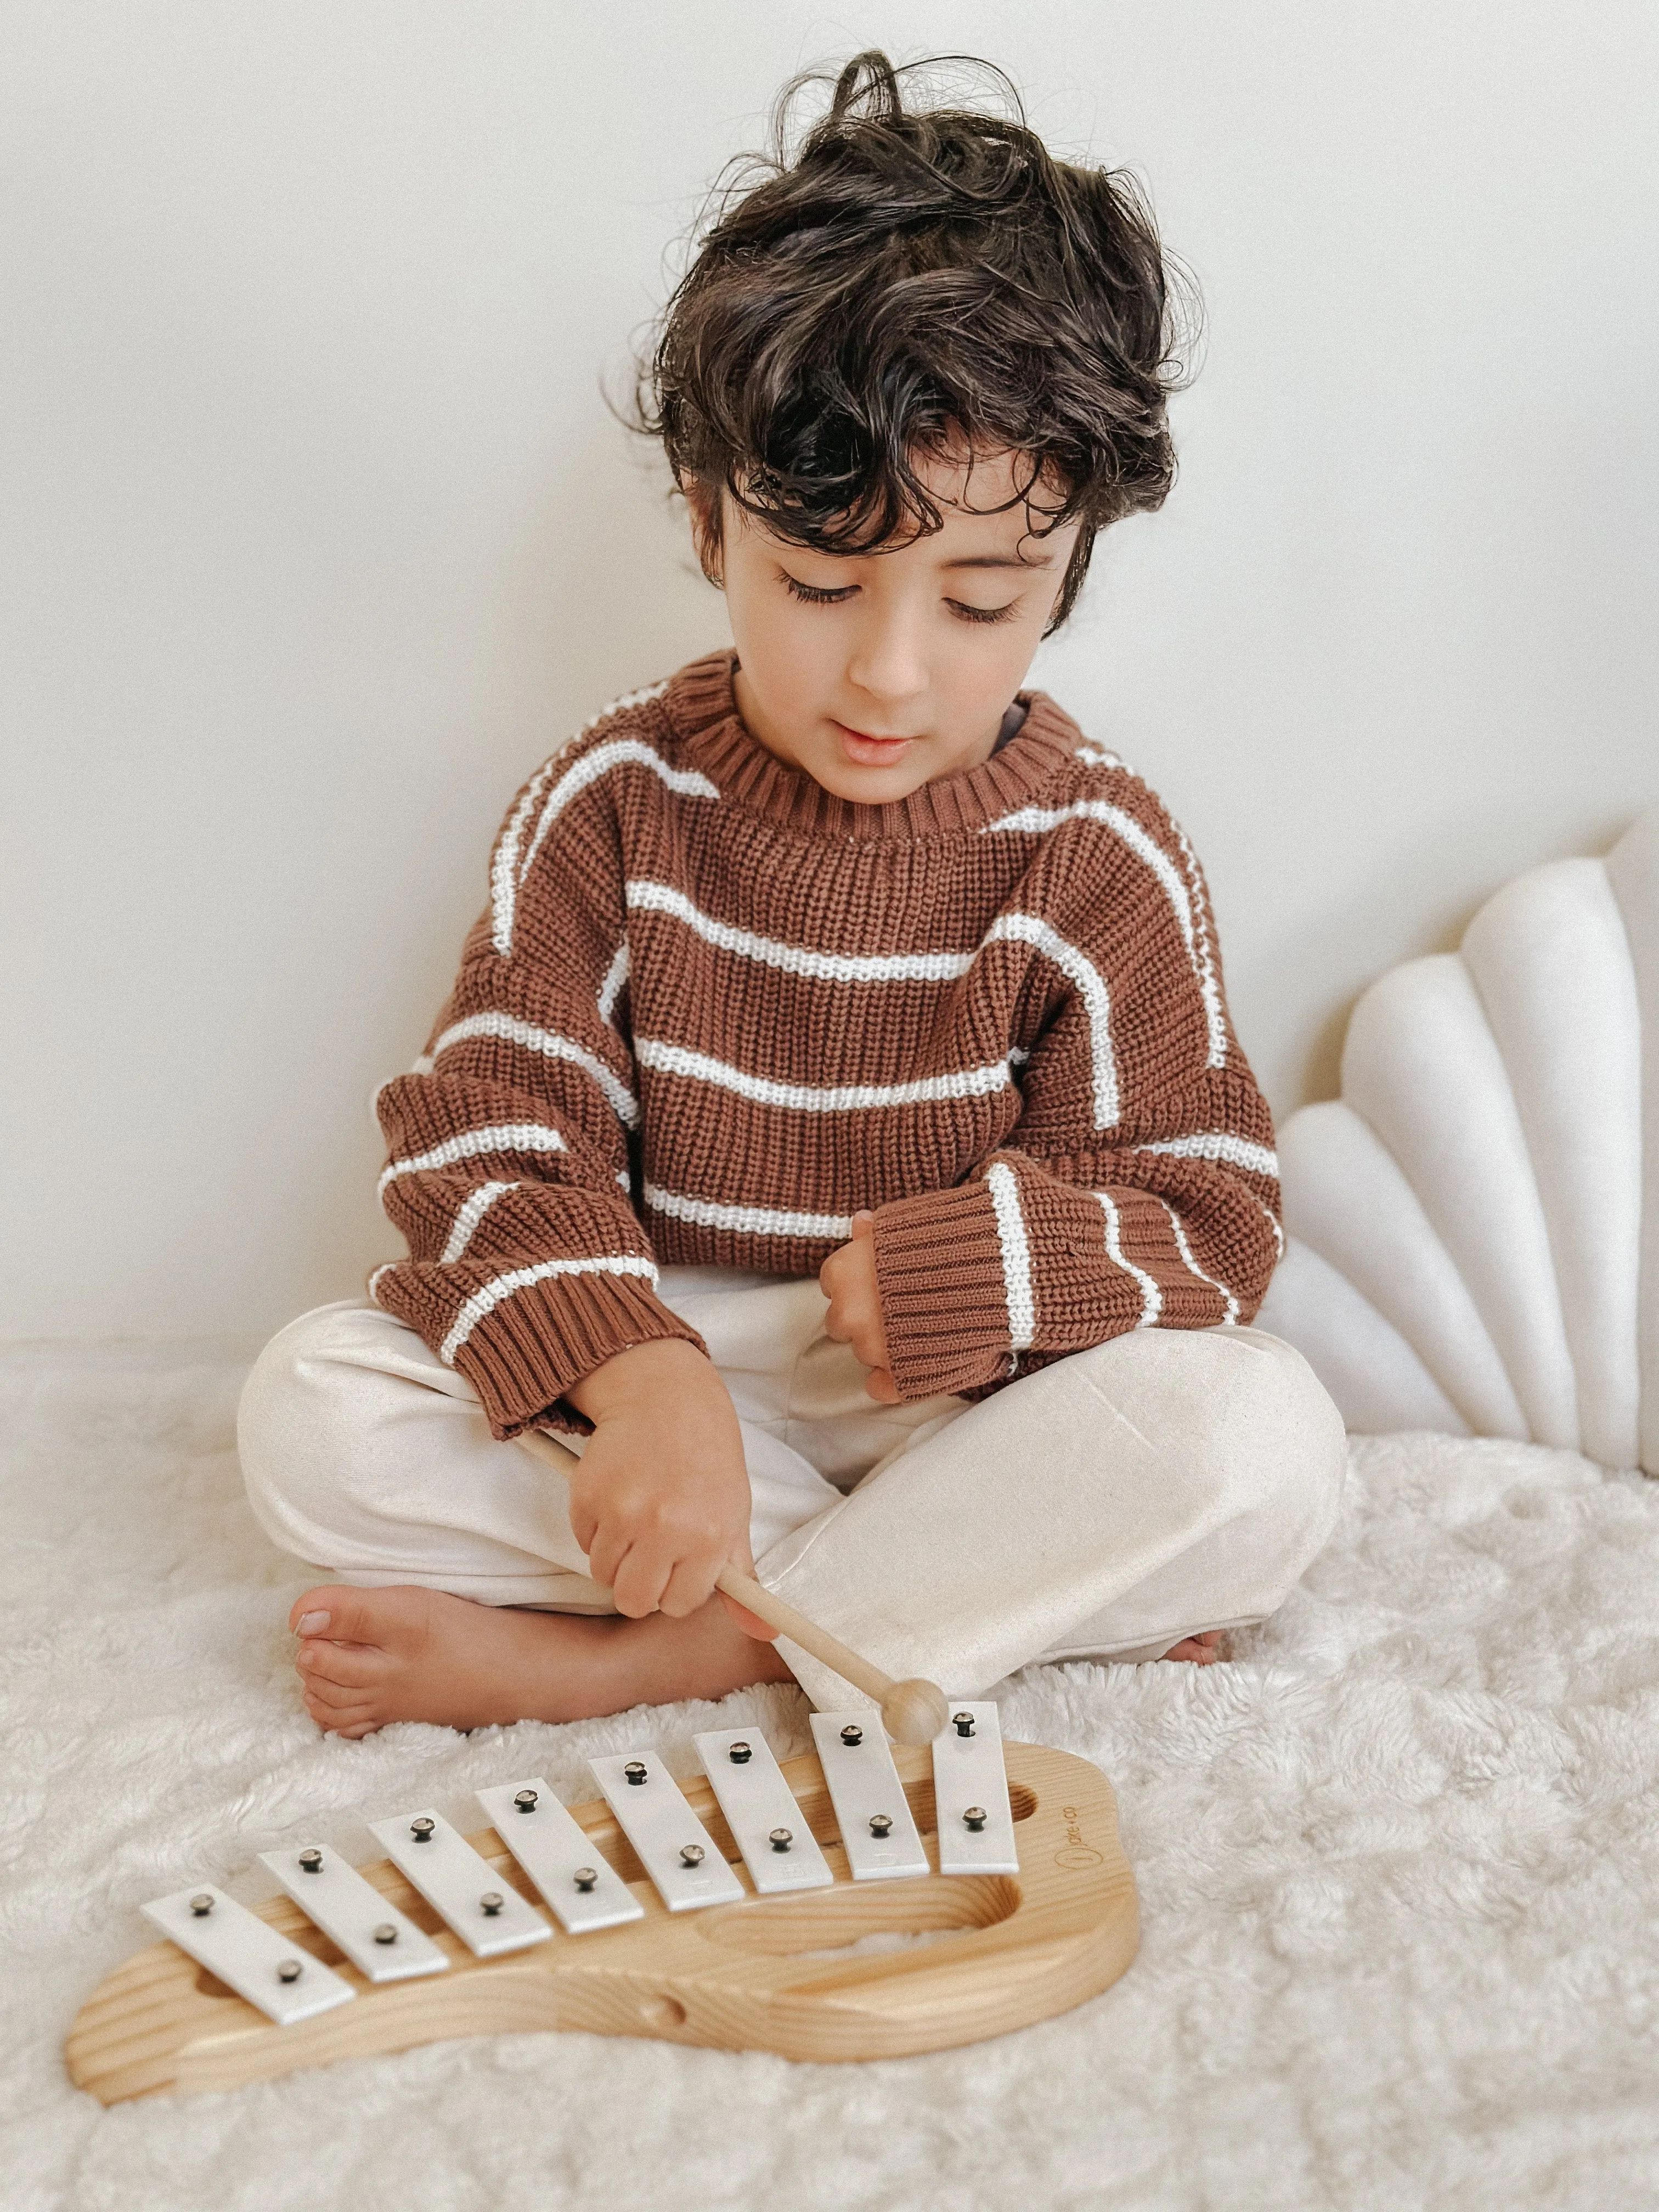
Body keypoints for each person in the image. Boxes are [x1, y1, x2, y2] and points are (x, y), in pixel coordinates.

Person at [237, 51, 1346, 1738]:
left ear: (1069, 573)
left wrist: (990, 1269)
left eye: (980, 602)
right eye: (824, 582)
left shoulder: (1096, 856)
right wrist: (638, 1371)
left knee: (1265, 1449)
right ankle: (982, 1602)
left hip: (962, 1408)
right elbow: (486, 1140)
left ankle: (680, 1654)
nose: (890, 673)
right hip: (685, 1384)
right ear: (708, 523)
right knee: (310, 1411)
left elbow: (1208, 1219)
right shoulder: (612, 809)